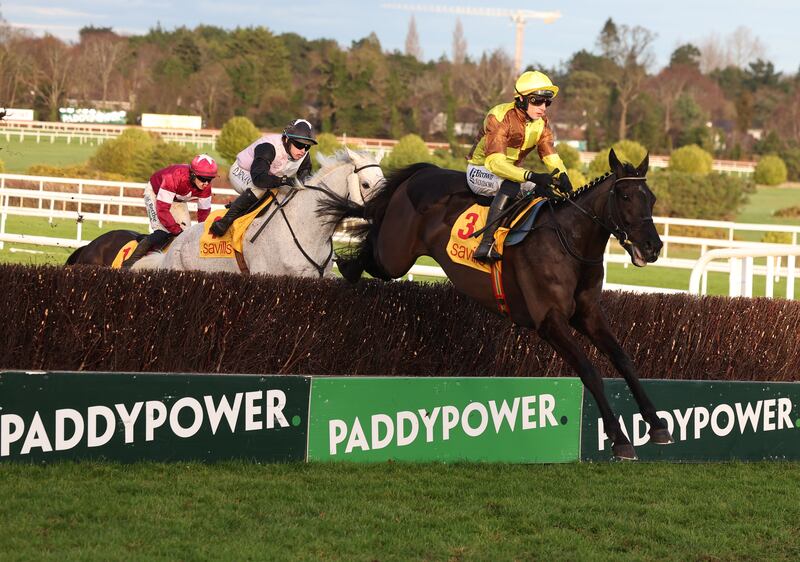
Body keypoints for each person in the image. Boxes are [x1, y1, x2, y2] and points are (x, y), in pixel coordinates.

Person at [466, 70, 573, 262]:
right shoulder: (499, 116)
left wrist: (563, 176)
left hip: (510, 173)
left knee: (546, 192)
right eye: (537, 101)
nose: (543, 107)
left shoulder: (541, 123)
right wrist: (531, 176)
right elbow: (495, 163)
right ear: (521, 99)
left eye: (547, 102)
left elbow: (549, 154)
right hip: (481, 170)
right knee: (512, 185)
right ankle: (486, 244)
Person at [209, 118, 317, 237]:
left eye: (307, 147)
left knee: (286, 192)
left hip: (267, 178)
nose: (303, 151)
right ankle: (224, 222)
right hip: (242, 172)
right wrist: (285, 180)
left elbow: (305, 181)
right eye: (299, 145)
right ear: (287, 139)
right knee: (261, 190)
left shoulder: (304, 155)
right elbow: (259, 180)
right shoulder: (268, 147)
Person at [121, 154, 218, 269]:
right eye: (202, 179)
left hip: (177, 200)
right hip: (155, 194)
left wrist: (203, 233)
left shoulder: (206, 188)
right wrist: (176, 230)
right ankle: (130, 262)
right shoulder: (174, 177)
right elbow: (162, 210)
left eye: (209, 179)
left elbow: (204, 214)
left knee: (186, 234)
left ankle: (151, 244)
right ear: (193, 174)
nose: (206, 183)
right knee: (163, 232)